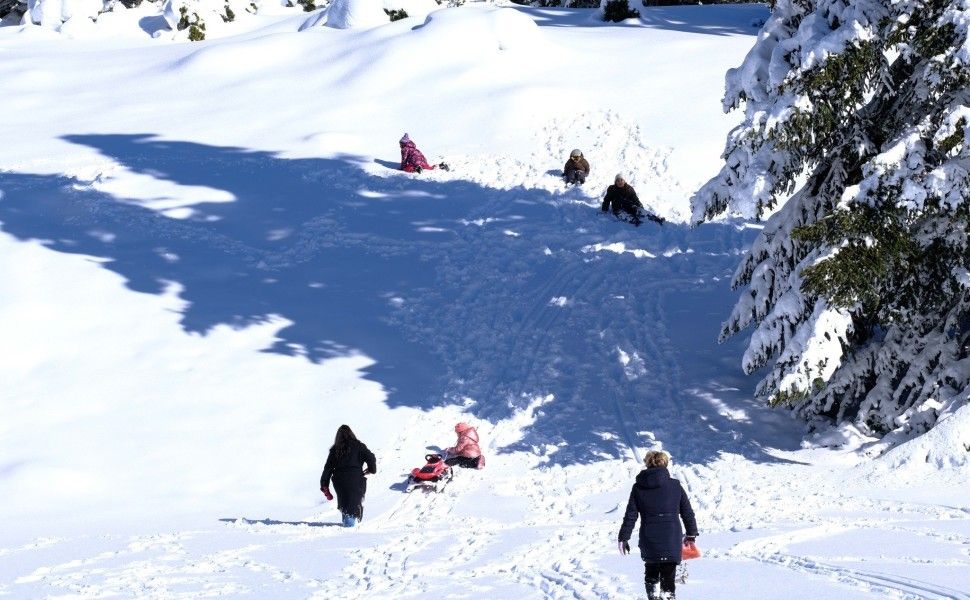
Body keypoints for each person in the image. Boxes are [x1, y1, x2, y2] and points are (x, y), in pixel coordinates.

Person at [617, 450, 698, 600]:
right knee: (668, 577)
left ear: (647, 464)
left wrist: (623, 537)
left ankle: (653, 597)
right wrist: (691, 534)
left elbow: (631, 515)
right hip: (671, 536)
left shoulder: (638, 487)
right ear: (665, 464)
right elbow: (687, 512)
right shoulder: (675, 486)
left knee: (651, 573)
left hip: (650, 537)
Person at [320, 424, 377, 527]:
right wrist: (371, 469)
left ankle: (348, 525)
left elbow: (327, 468)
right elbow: (371, 457)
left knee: (345, 503)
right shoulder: (359, 446)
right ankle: (349, 533)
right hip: (355, 479)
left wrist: (324, 484)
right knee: (352, 505)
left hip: (339, 481)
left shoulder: (335, 450)